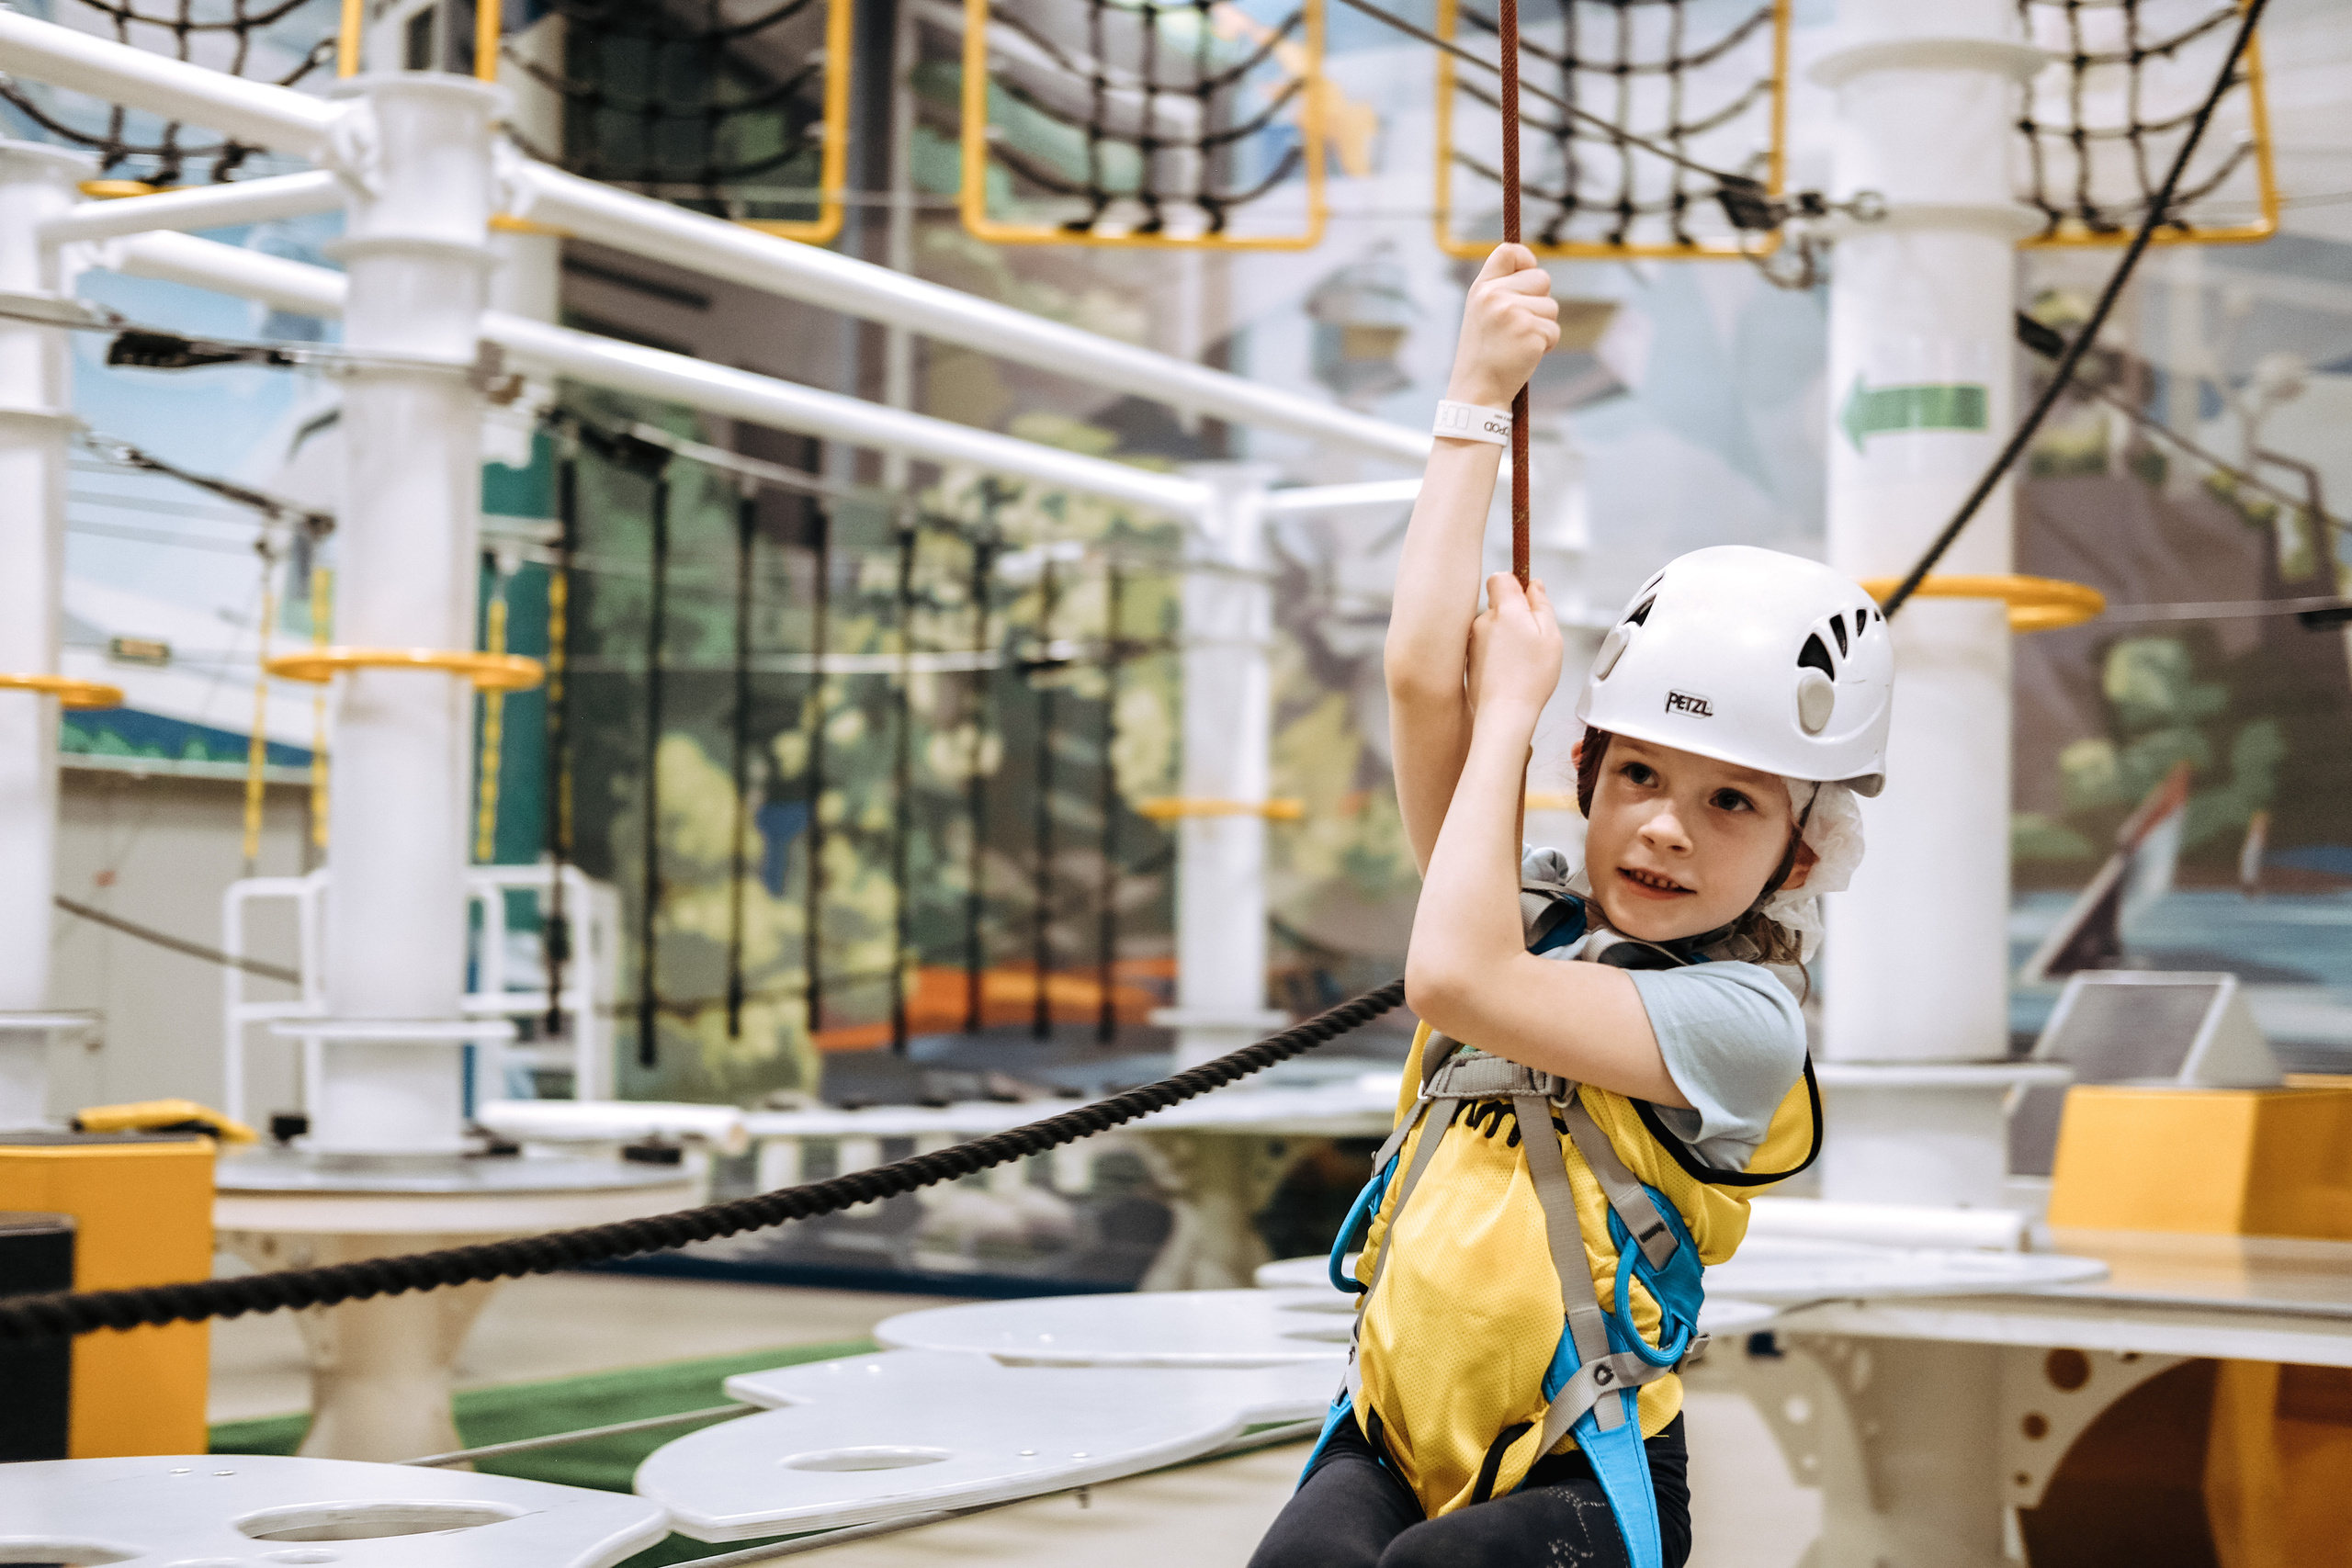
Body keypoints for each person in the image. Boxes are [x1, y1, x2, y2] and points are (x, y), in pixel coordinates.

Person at [1248, 244, 1893, 1568]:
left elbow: (1458, 985)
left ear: (1801, 855)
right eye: (1640, 774)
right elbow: (1427, 679)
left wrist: (1518, 721)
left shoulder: (1739, 1020)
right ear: (1590, 782)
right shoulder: (1528, 914)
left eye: (1732, 804)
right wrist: (1477, 396)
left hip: (1579, 1475)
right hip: (1395, 1433)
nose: (1664, 824)